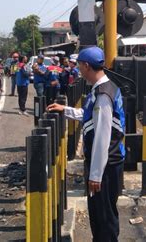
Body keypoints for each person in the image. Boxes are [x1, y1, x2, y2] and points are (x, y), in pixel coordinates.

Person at [47, 46, 125, 242]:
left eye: (80, 66)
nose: (79, 70)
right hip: (106, 164)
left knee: (104, 219)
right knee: (99, 216)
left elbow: (102, 137)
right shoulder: (103, 89)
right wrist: (65, 109)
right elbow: (90, 116)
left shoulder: (103, 95)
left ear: (87, 66)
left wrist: (96, 175)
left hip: (106, 166)